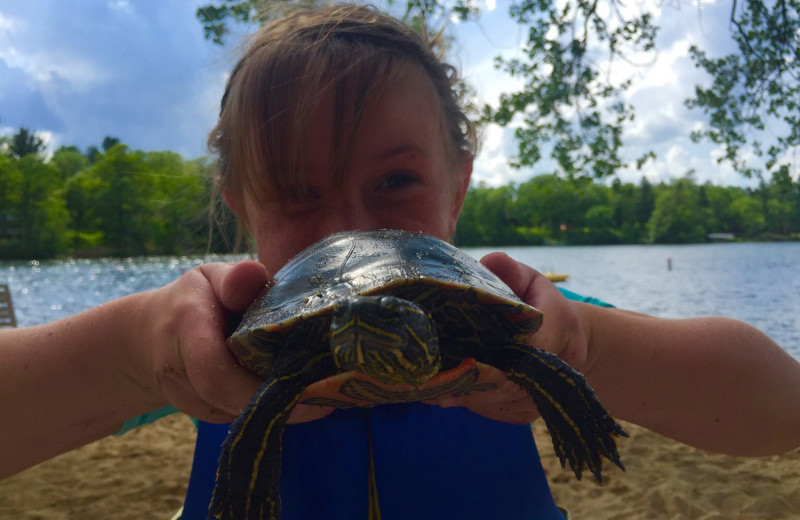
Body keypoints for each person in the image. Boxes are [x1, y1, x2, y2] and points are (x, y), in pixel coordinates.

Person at [2, 4, 800, 518]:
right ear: (240, 205)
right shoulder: (212, 340)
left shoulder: (518, 319)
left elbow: (780, 411)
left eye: (394, 182)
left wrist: (589, 352)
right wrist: (133, 357)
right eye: (296, 192)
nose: (349, 230)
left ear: (459, 183)